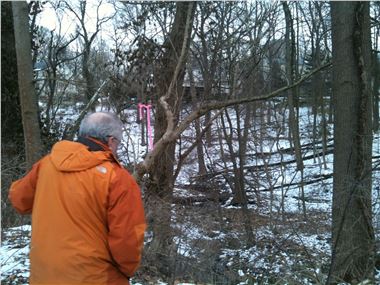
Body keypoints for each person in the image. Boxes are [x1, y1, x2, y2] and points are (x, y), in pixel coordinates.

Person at [9, 112, 146, 285]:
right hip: (95, 278)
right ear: (111, 141)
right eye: (118, 143)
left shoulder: (46, 164)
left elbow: (18, 199)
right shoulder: (117, 178)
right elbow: (128, 240)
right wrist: (127, 272)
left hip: (43, 275)